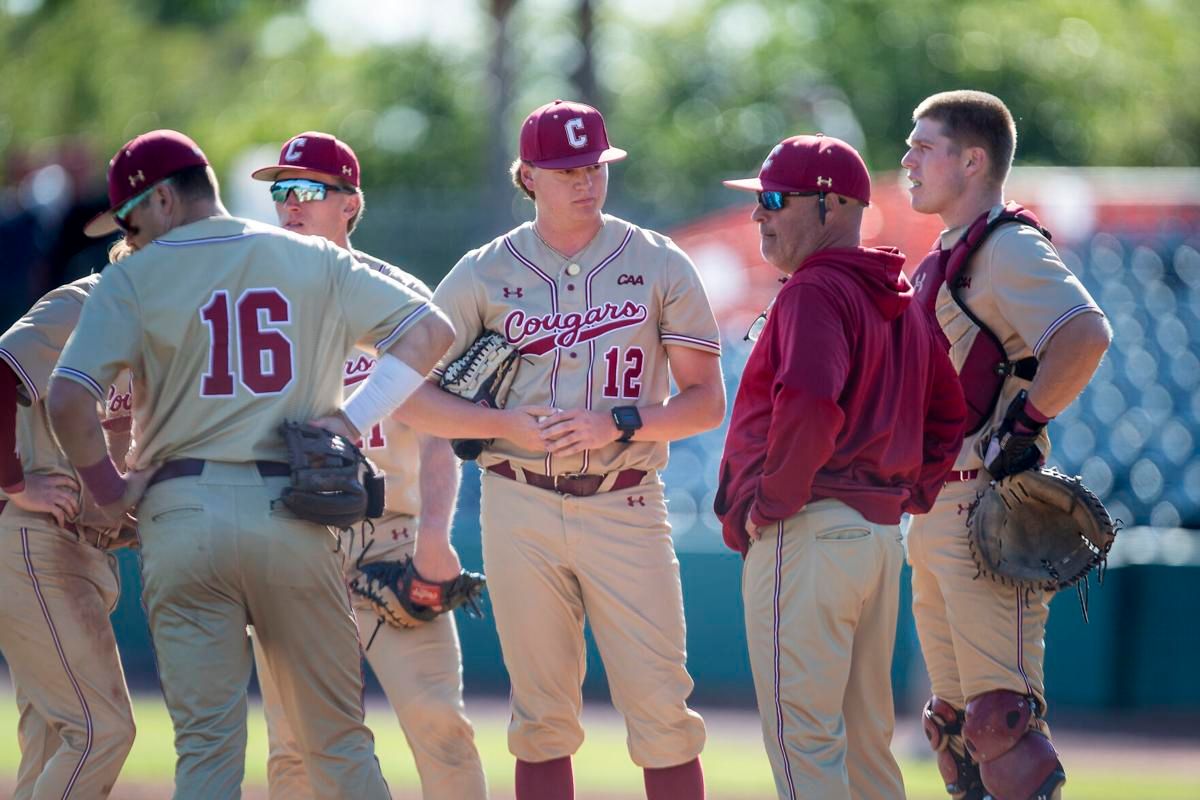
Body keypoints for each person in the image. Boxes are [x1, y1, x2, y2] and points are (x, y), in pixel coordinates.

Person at [44, 128, 454, 799]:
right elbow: (432, 331)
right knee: (338, 745)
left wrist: (108, 488)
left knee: (206, 751)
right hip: (291, 514)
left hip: (180, 518)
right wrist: (352, 418)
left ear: (167, 201)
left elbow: (68, 398)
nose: (128, 231)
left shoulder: (132, 276)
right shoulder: (310, 258)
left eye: (131, 215)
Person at [395, 99, 723, 800]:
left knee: (663, 709)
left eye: (595, 165)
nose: (586, 181)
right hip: (519, 502)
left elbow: (706, 402)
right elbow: (410, 392)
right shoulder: (483, 272)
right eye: (567, 168)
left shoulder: (658, 260)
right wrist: (507, 425)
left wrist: (621, 423)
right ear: (529, 177)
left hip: (627, 500)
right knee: (541, 716)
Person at [715, 134, 967, 800]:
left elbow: (809, 405)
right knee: (866, 752)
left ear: (829, 206)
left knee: (806, 749)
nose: (759, 216)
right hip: (878, 541)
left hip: (808, 532)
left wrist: (772, 503)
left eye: (773, 199)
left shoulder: (814, 291)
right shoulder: (904, 300)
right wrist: (905, 492)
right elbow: (950, 415)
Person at [246, 131, 488, 799]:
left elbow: (440, 437)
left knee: (440, 723)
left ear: (351, 205)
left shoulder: (402, 302)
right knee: (294, 749)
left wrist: (437, 538)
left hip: (393, 541)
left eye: (308, 190)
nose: (290, 203)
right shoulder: (253, 309)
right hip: (294, 545)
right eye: (280, 191)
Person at [901, 91, 1111, 800]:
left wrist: (1023, 430)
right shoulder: (947, 252)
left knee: (1003, 727)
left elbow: (1086, 334)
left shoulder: (1005, 245)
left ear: (973, 159)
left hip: (983, 501)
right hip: (934, 503)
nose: (908, 159)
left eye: (923, 146)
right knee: (958, 732)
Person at [0, 242, 137, 799]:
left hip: (81, 552)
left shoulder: (158, 336)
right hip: (35, 544)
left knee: (56, 738)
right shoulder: (86, 304)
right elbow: (1, 369)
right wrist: (13, 483)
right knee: (101, 731)